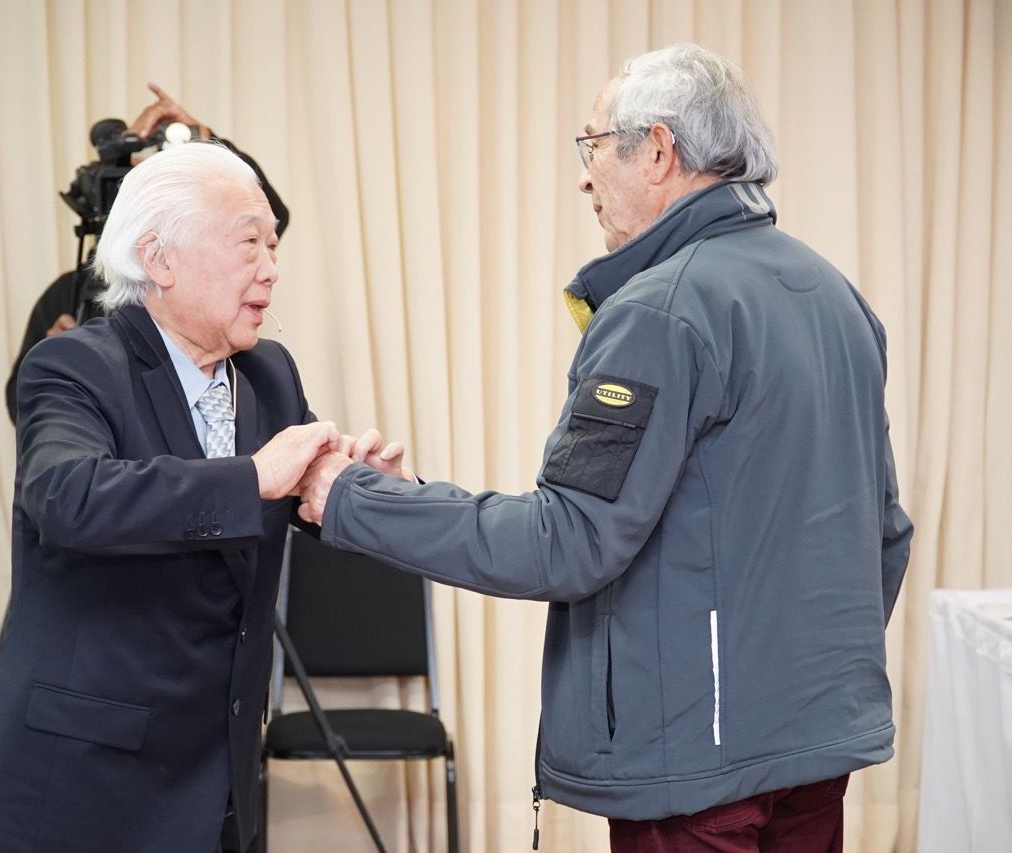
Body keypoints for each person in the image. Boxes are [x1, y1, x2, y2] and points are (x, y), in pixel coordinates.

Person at [298, 43, 914, 852]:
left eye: (592, 146)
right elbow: (882, 533)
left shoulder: (662, 311)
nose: (584, 178)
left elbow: (567, 541)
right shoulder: (836, 297)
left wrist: (353, 499)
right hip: (812, 750)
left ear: (657, 151)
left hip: (695, 764)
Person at [0, 141, 397, 853]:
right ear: (159, 259)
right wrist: (253, 476)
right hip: (91, 783)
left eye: (273, 246)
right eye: (249, 243)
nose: (271, 267)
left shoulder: (269, 374)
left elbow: (303, 493)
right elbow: (69, 498)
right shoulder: (73, 366)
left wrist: (368, 489)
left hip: (218, 776)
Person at [4, 83, 290, 423]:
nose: (268, 271)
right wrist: (70, 369)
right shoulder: (67, 300)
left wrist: (208, 142)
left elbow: (257, 217)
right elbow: (26, 411)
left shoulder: (271, 371)